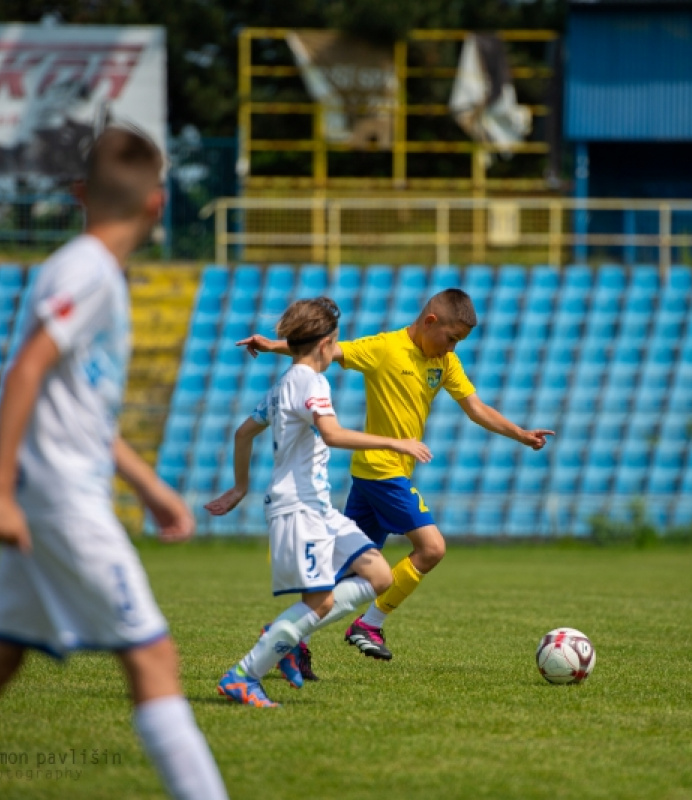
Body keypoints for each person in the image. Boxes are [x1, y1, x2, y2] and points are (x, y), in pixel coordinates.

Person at [0, 127, 228, 800]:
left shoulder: (89, 270)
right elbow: (24, 373)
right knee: (152, 656)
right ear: (159, 204)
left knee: (7, 653)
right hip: (58, 500)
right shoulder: (90, 271)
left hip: (45, 491)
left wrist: (149, 486)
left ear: (79, 194)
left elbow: (79, 411)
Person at [237, 287, 554, 669]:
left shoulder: (445, 364)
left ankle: (286, 635)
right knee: (432, 548)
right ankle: (370, 624)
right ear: (430, 321)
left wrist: (520, 434)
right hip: (382, 474)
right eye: (451, 339)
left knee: (349, 575)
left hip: (372, 478)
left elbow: (475, 407)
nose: (452, 349)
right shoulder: (385, 348)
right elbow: (326, 351)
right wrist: (274, 346)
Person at [206, 297, 431, 707]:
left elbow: (243, 433)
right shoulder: (311, 382)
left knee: (379, 575)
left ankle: (286, 639)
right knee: (321, 601)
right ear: (327, 344)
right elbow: (332, 434)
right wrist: (395, 441)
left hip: (317, 507)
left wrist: (240, 488)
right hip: (298, 507)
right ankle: (244, 674)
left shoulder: (284, 384)